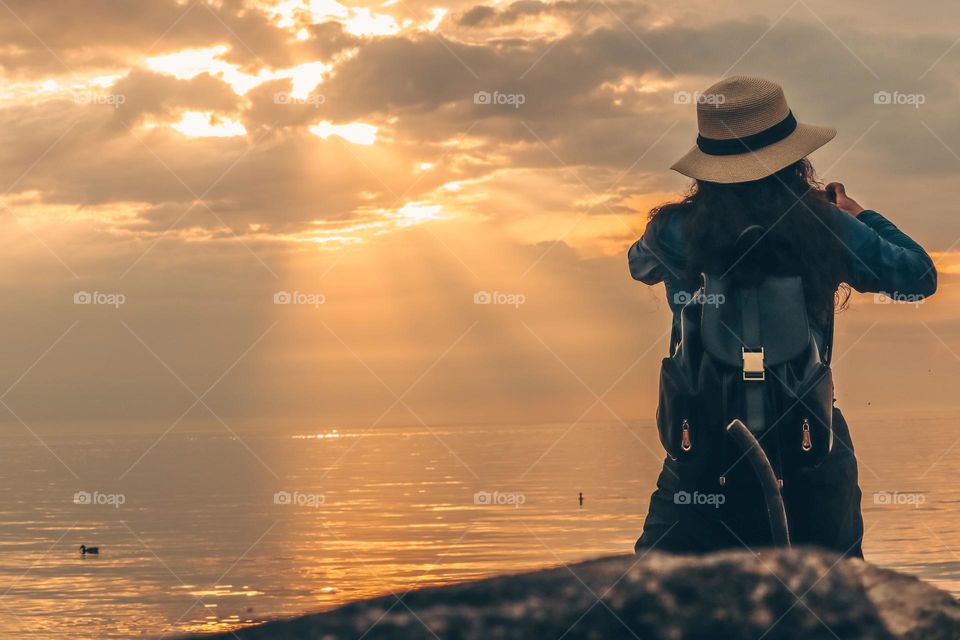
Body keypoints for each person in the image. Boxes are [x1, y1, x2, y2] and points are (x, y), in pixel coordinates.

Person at [628, 76, 937, 557]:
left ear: (709, 166)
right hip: (809, 443)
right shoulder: (825, 224)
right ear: (793, 158)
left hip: (702, 450)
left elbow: (638, 265)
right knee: (835, 590)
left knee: (652, 587)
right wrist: (859, 215)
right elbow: (917, 276)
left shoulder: (674, 230)